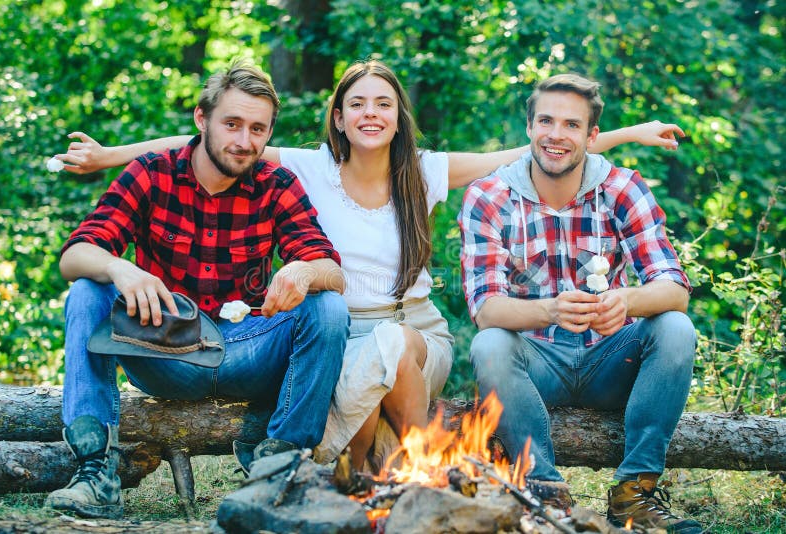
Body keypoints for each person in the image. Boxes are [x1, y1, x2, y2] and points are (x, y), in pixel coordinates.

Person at [53, 60, 685, 472]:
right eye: (358, 103)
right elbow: (208, 143)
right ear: (340, 116)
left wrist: (627, 135)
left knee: (385, 345)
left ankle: (420, 471)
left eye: (384, 103)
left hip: (410, 330)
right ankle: (374, 476)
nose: (371, 113)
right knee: (349, 359)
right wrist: (111, 156)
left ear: (397, 116)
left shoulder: (425, 173)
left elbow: (539, 146)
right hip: (333, 335)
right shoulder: (306, 167)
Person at [44, 59, 349, 519]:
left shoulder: (277, 184)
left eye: (257, 129)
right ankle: (96, 473)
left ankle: (278, 470)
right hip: (164, 350)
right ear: (201, 119)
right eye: (232, 123)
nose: (244, 141)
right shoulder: (151, 173)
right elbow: (74, 256)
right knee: (89, 290)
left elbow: (332, 269)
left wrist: (304, 272)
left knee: (328, 308)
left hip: (250, 348)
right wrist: (119, 269)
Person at [458, 73, 700, 532]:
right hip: (536, 363)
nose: (555, 134)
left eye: (571, 125)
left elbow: (674, 289)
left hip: (611, 358)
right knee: (489, 344)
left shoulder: (623, 189)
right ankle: (545, 496)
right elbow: (487, 308)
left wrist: (627, 300)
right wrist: (551, 309)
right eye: (546, 121)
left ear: (591, 136)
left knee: (674, 328)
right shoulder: (489, 197)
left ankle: (635, 495)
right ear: (529, 127)